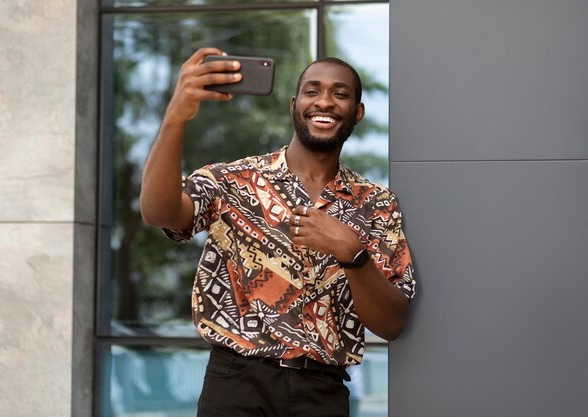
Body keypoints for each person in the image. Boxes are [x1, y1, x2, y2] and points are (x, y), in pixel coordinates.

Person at [140, 47, 416, 417]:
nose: (325, 102)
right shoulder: (233, 181)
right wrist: (175, 116)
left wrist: (352, 252)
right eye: (312, 91)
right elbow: (159, 213)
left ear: (358, 112)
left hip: (322, 391)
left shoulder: (377, 205)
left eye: (341, 93)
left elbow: (392, 323)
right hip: (235, 384)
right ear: (294, 105)